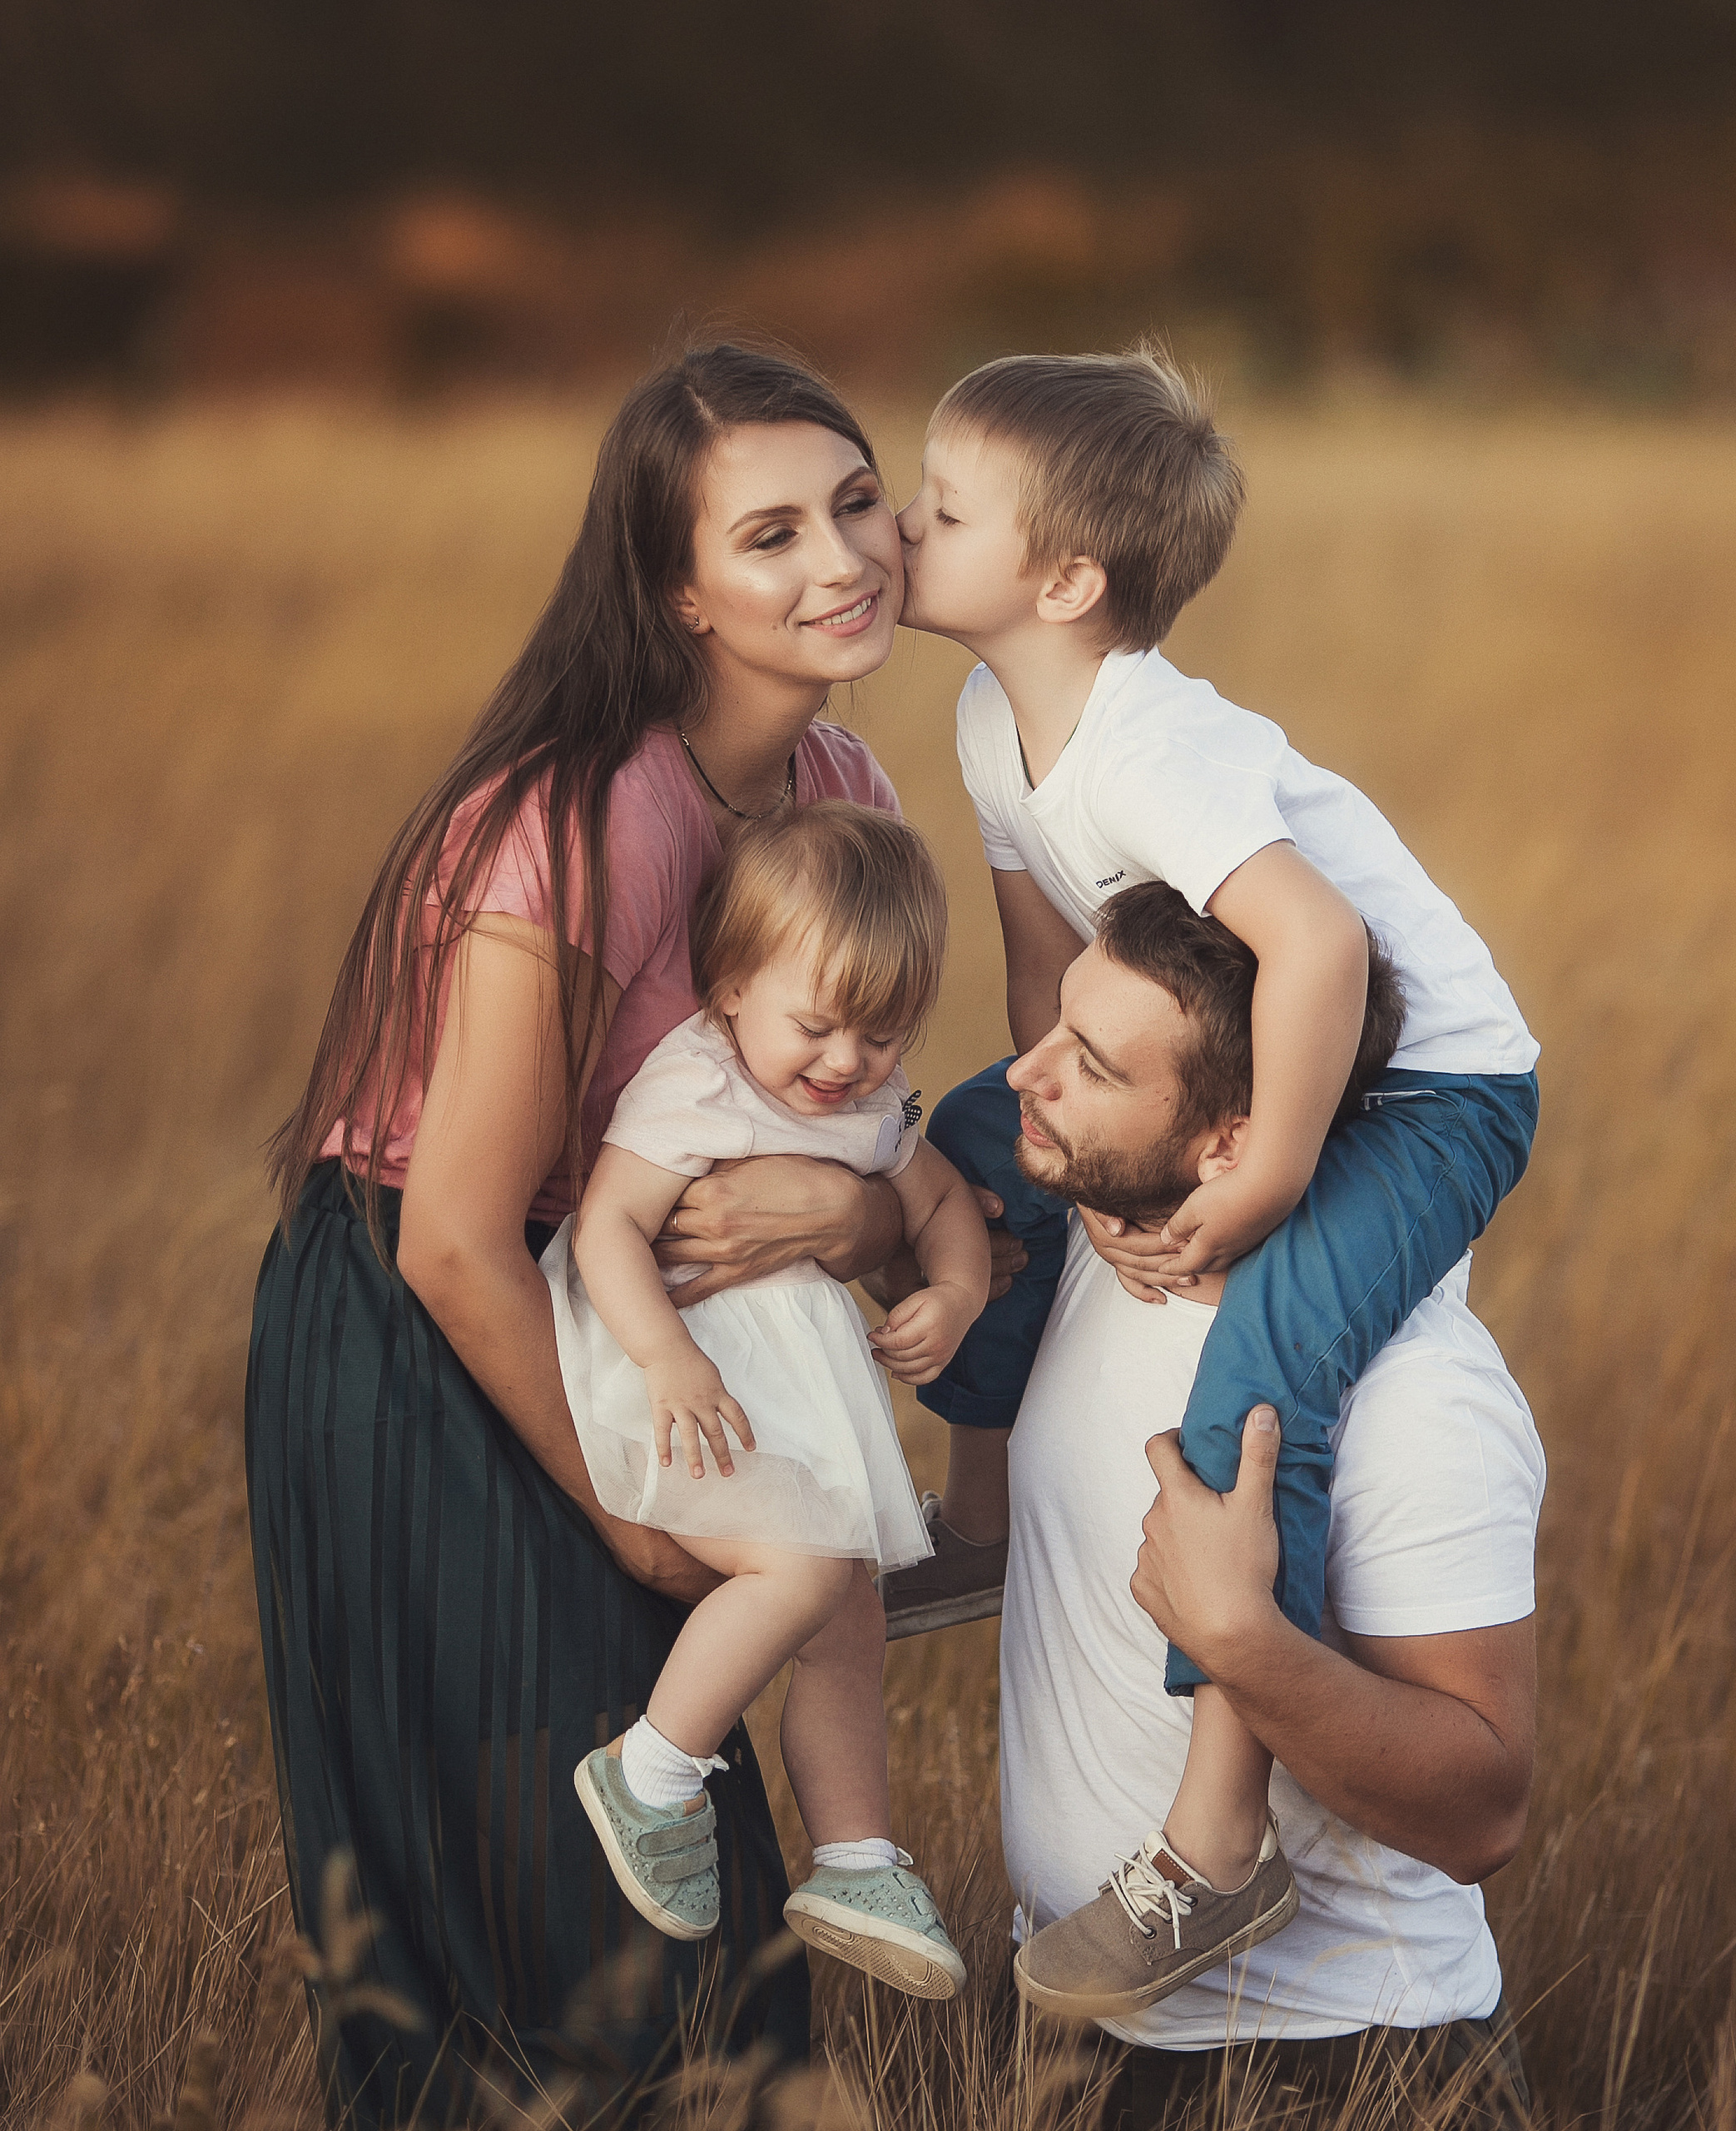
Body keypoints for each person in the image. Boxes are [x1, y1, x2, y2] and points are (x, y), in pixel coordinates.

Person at [246, 344, 921, 2127]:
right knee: (545, 1883)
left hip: (610, 1306)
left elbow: (838, 1127)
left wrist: (858, 1209)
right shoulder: (587, 812)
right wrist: (627, 1521)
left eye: (856, 503)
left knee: (666, 1861)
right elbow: (455, 1233)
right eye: (769, 533)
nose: (842, 557)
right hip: (426, 1322)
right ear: (675, 587)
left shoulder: (845, 778)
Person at [885, 345, 1541, 2009]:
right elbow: (1052, 974)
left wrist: (1267, 1184)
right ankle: (973, 1521)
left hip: (1418, 1088)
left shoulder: (1147, 749)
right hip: (1292, 1066)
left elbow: (1313, 944)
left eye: (939, 507)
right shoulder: (989, 719)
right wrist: (1033, 1145)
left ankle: (1213, 1842)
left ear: (1062, 576)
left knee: (1263, 1367)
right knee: (952, 1151)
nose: (899, 523)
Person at [993, 885, 1540, 2126]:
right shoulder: (1105, 1230)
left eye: (1090, 1062)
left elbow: (1484, 1806)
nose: (1029, 1072)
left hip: (1331, 2063)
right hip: (1078, 2021)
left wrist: (1244, 1641)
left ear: (1232, 1142)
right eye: (1062, 1023)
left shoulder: (1418, 1399)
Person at [548, 802, 988, 1995]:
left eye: (885, 1035)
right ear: (732, 984)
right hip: (686, 1375)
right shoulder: (695, 1081)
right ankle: (647, 1775)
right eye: (820, 1026)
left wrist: (950, 1293)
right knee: (795, 1573)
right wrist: (667, 1358)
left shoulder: (865, 1104)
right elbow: (606, 1232)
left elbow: (942, 1204)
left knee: (846, 1604)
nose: (847, 1062)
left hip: (785, 1390)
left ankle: (855, 1856)